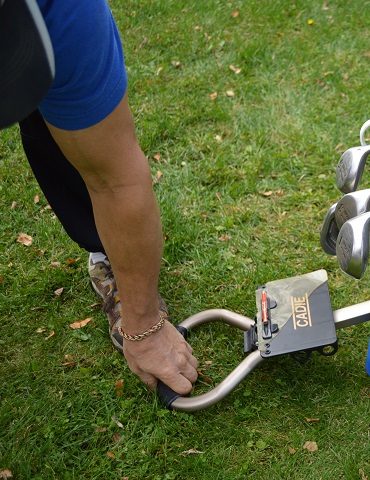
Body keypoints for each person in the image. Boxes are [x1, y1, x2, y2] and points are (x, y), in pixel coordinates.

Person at [4, 0, 198, 394]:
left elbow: (115, 181)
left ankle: (106, 251)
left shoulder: (65, 15)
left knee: (68, 139)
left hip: (45, 32)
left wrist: (144, 328)